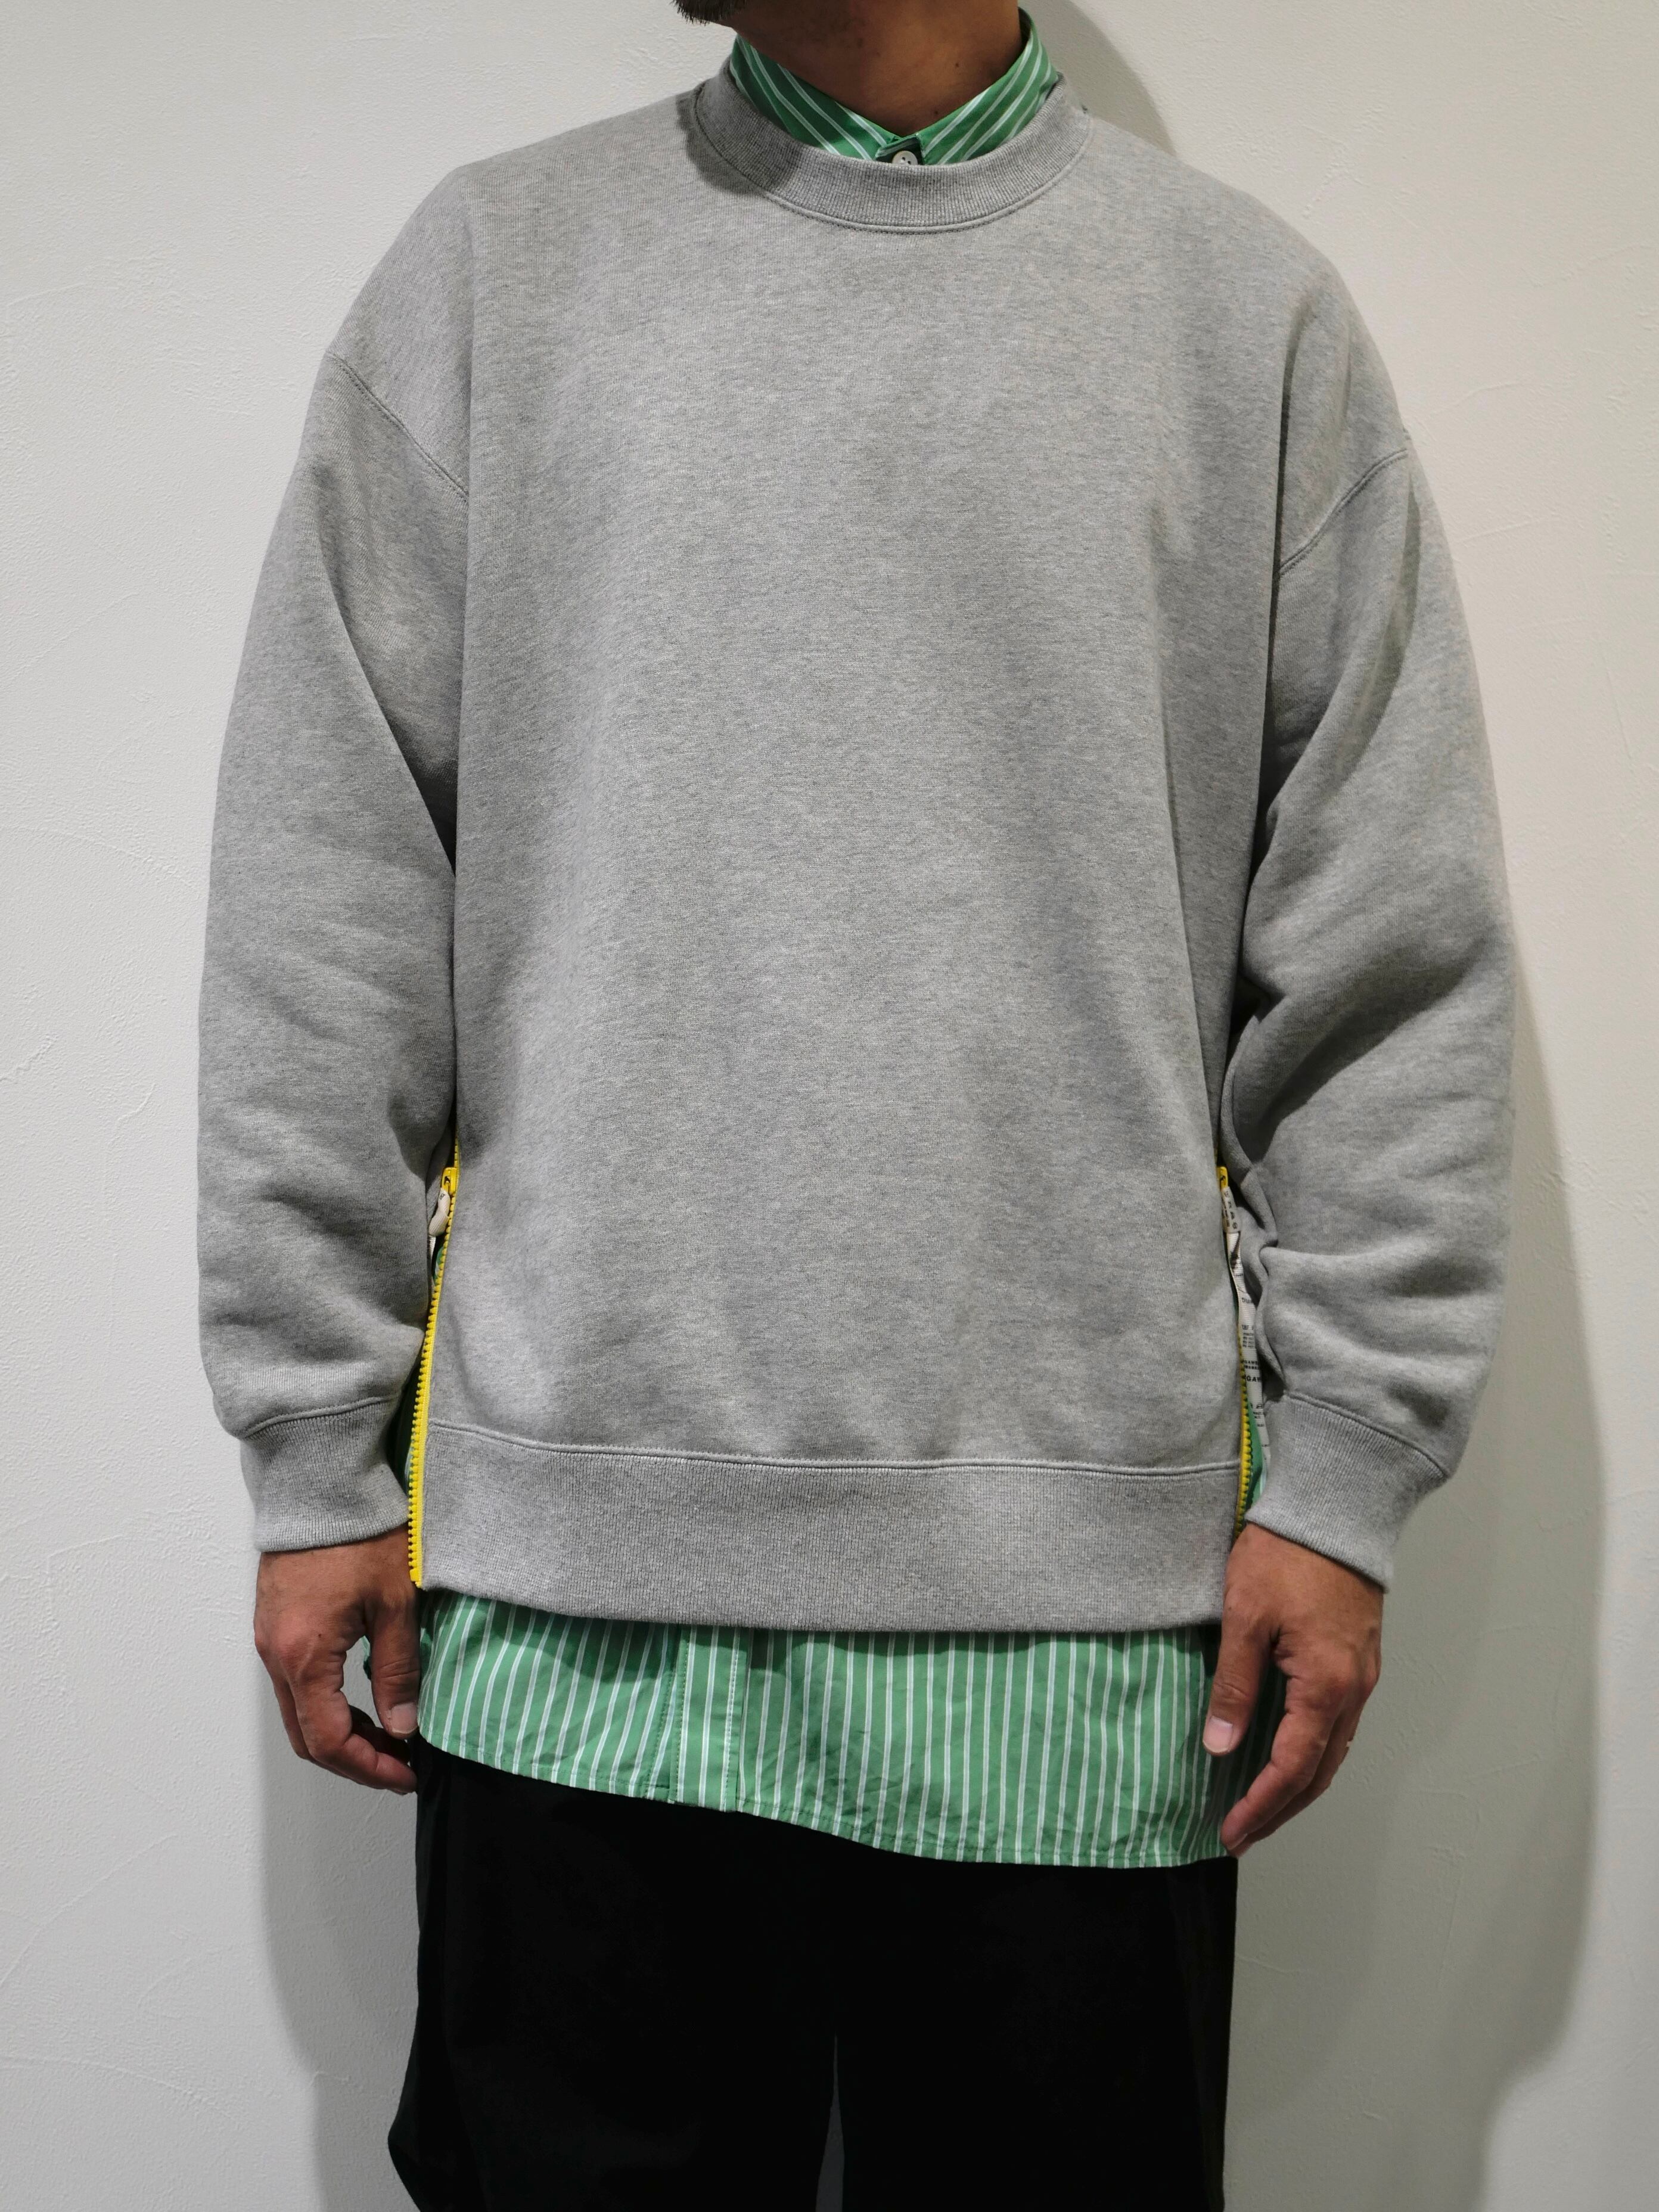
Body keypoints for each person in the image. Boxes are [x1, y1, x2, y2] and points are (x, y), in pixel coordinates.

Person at [197, 4, 1515, 2204]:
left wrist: (1353, 1466)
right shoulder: (495, 276)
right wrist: (311, 1445)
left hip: (1085, 1644)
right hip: (577, 1620)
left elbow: (1386, 958)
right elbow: (327, 900)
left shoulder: (1241, 319)